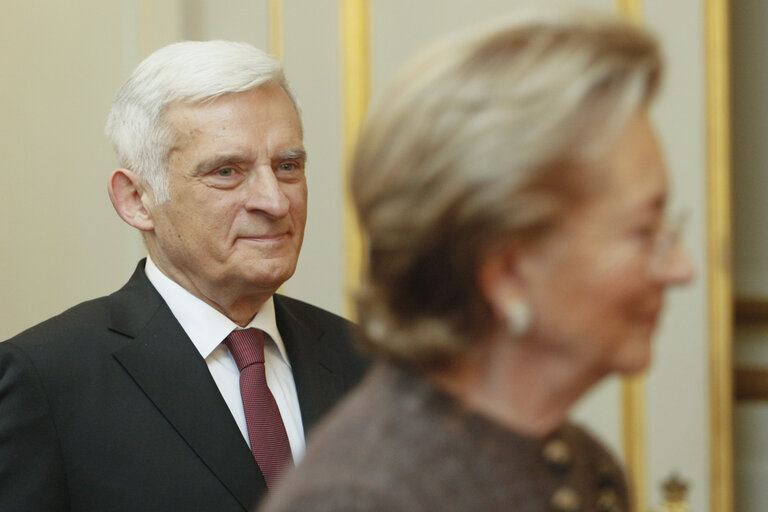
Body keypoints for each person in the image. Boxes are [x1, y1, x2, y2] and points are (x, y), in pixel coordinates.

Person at [259, 7, 694, 512]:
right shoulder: (361, 497)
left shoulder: (584, 467)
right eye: (644, 232)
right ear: (507, 272)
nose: (682, 268)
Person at [0, 40, 367, 512]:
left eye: (288, 166)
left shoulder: (367, 363)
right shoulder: (47, 380)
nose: (275, 202)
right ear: (136, 199)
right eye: (227, 172)